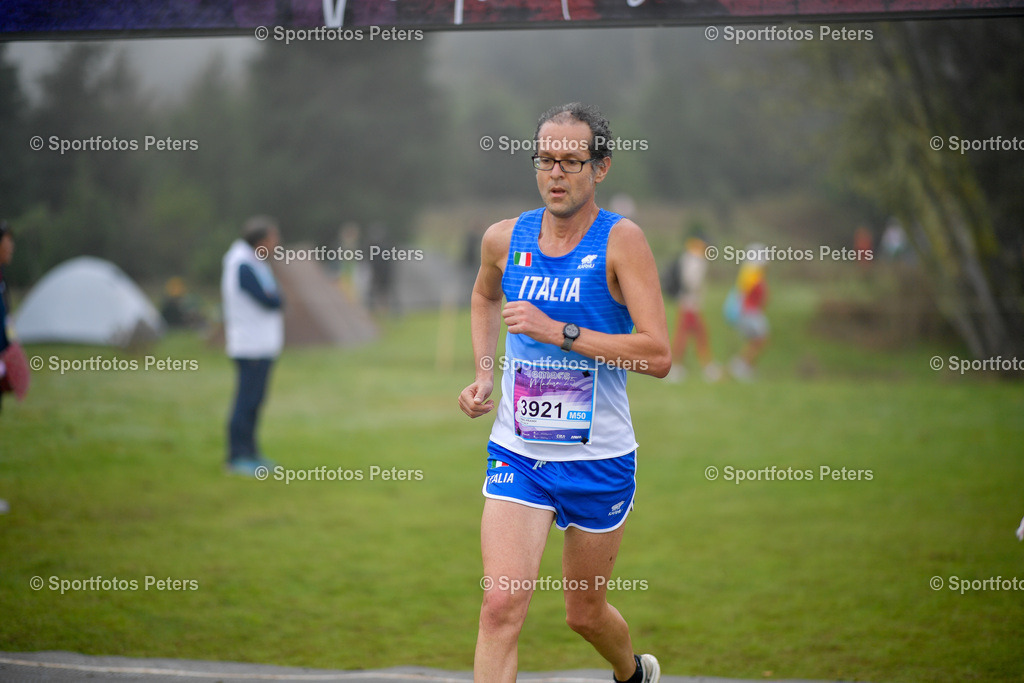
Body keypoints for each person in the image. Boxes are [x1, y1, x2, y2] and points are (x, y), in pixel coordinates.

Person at [458, 103, 670, 683]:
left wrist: (560, 333)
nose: (556, 173)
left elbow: (657, 356)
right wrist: (485, 373)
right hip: (519, 453)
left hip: (598, 460)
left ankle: (632, 672)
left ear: (600, 167)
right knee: (500, 606)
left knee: (584, 613)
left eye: (572, 161)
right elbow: (485, 296)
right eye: (546, 159)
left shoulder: (622, 242)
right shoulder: (504, 238)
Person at [221, 216, 285, 477]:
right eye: (273, 238)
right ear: (261, 241)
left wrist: (275, 296)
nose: (276, 243)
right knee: (245, 403)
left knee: (255, 402)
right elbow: (270, 300)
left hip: (261, 345)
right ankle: (237, 456)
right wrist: (275, 297)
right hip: (250, 346)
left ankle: (251, 452)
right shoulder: (242, 265)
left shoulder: (255, 263)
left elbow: (276, 296)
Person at [668, 235, 720, 382]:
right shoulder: (696, 259)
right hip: (690, 304)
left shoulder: (688, 256)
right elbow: (691, 281)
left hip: (687, 303)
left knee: (689, 335)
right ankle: (704, 367)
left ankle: (680, 367)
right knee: (694, 335)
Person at [727, 244, 769, 381]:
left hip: (750, 312)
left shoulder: (751, 272)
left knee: (756, 340)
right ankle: (741, 366)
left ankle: (744, 366)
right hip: (749, 312)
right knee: (760, 339)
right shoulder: (752, 273)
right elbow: (747, 294)